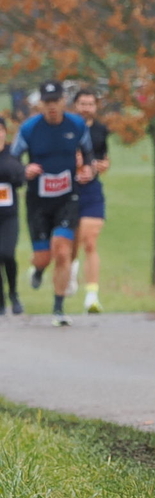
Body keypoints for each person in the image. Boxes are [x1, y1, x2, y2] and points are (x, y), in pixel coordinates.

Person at [15, 82, 90, 326]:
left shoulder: (76, 125)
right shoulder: (29, 128)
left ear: (63, 101)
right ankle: (38, 270)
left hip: (67, 198)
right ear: (41, 104)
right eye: (47, 102)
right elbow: (13, 158)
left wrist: (87, 168)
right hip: (38, 203)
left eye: (56, 101)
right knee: (43, 257)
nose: (52, 107)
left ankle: (58, 308)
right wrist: (25, 169)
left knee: (62, 251)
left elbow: (88, 153)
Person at [69, 88, 111, 313]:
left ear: (96, 107)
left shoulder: (101, 130)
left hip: (92, 191)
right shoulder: (65, 129)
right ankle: (71, 268)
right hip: (67, 189)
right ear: (75, 105)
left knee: (90, 241)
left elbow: (104, 158)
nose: (86, 108)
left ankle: (92, 296)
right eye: (82, 103)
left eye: (90, 104)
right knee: (72, 242)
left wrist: (102, 166)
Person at [0, 119, 24, 314]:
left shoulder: (12, 153)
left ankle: (14, 293)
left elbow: (19, 178)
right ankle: (1, 301)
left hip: (9, 215)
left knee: (7, 253)